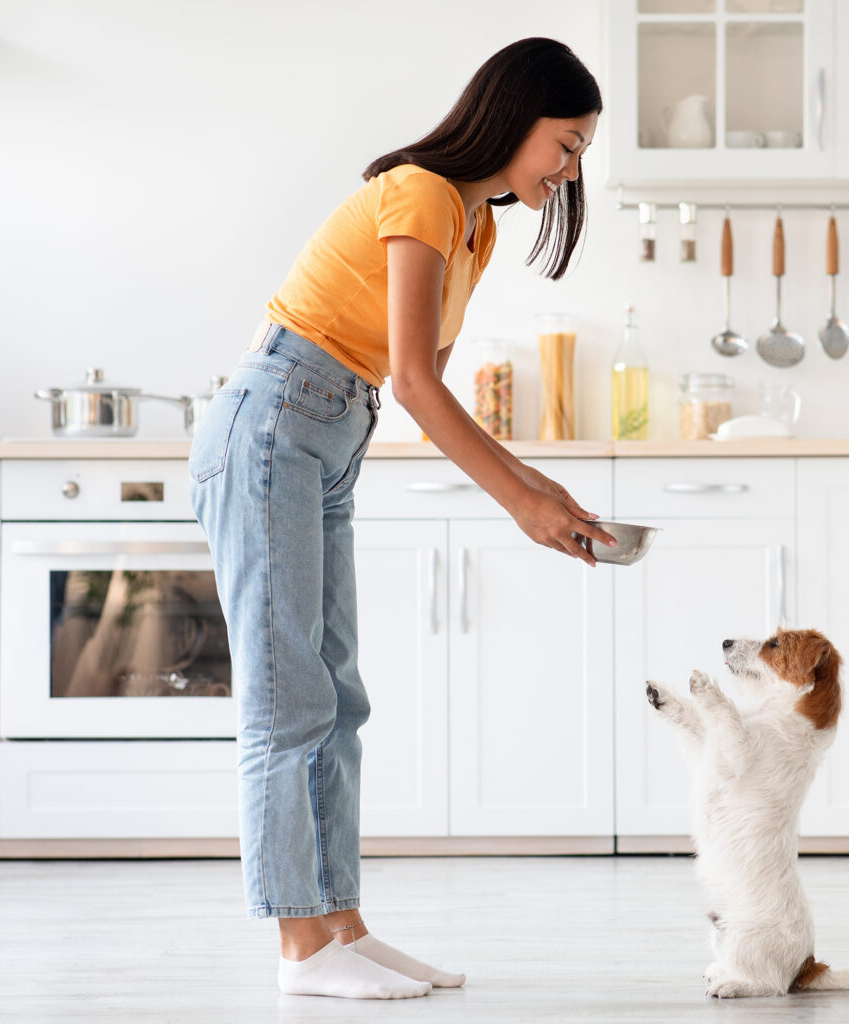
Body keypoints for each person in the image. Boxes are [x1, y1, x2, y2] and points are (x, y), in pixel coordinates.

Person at [189, 37, 610, 1000]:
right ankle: (300, 947)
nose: (571, 168)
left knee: (338, 693)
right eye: (567, 144)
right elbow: (417, 383)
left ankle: (342, 924)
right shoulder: (422, 191)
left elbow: (429, 395)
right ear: (514, 119)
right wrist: (522, 501)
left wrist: (540, 492)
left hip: (329, 433)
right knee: (288, 695)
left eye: (580, 151)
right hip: (275, 425)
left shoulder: (476, 229)